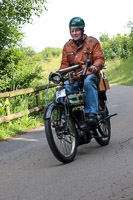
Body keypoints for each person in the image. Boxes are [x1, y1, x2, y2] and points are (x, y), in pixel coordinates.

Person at [59, 17, 105, 125]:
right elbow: (65, 64)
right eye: (72, 31)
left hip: (89, 74)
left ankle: (91, 113)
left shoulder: (92, 42)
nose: (74, 33)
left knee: (88, 82)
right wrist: (59, 73)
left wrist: (95, 66)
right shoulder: (67, 46)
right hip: (74, 77)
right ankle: (67, 115)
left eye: (77, 31)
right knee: (64, 87)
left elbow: (99, 58)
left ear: (82, 30)